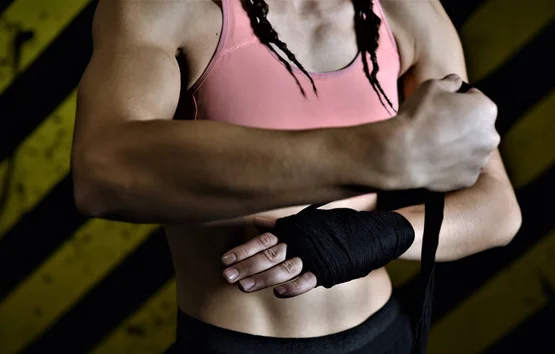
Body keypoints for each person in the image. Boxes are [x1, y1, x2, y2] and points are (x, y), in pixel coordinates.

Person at [71, 0, 522, 352]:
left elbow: (499, 208)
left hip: (383, 336)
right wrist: (381, 155)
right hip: (238, 345)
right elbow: (102, 171)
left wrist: (377, 235)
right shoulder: (172, 8)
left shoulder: (403, 11)